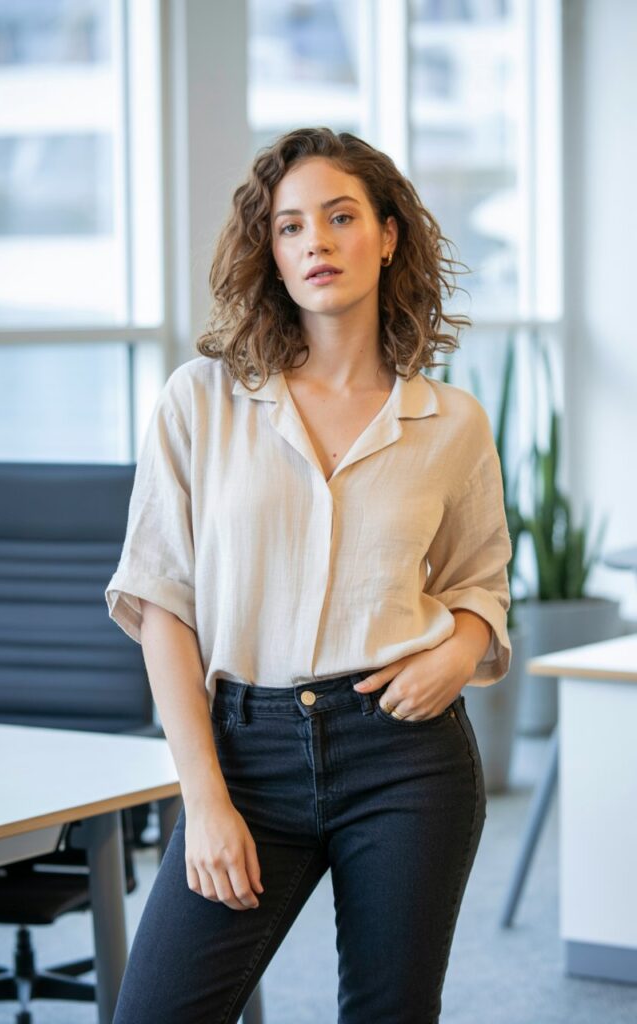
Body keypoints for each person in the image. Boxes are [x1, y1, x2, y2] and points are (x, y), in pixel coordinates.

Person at [105, 126, 512, 1024]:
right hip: (244, 755)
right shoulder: (200, 401)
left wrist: (462, 649)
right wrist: (203, 801)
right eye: (291, 227)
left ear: (389, 234)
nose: (316, 243)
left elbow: (482, 579)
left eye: (339, 217)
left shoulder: (451, 422)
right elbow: (162, 604)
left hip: (405, 756)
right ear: (272, 253)